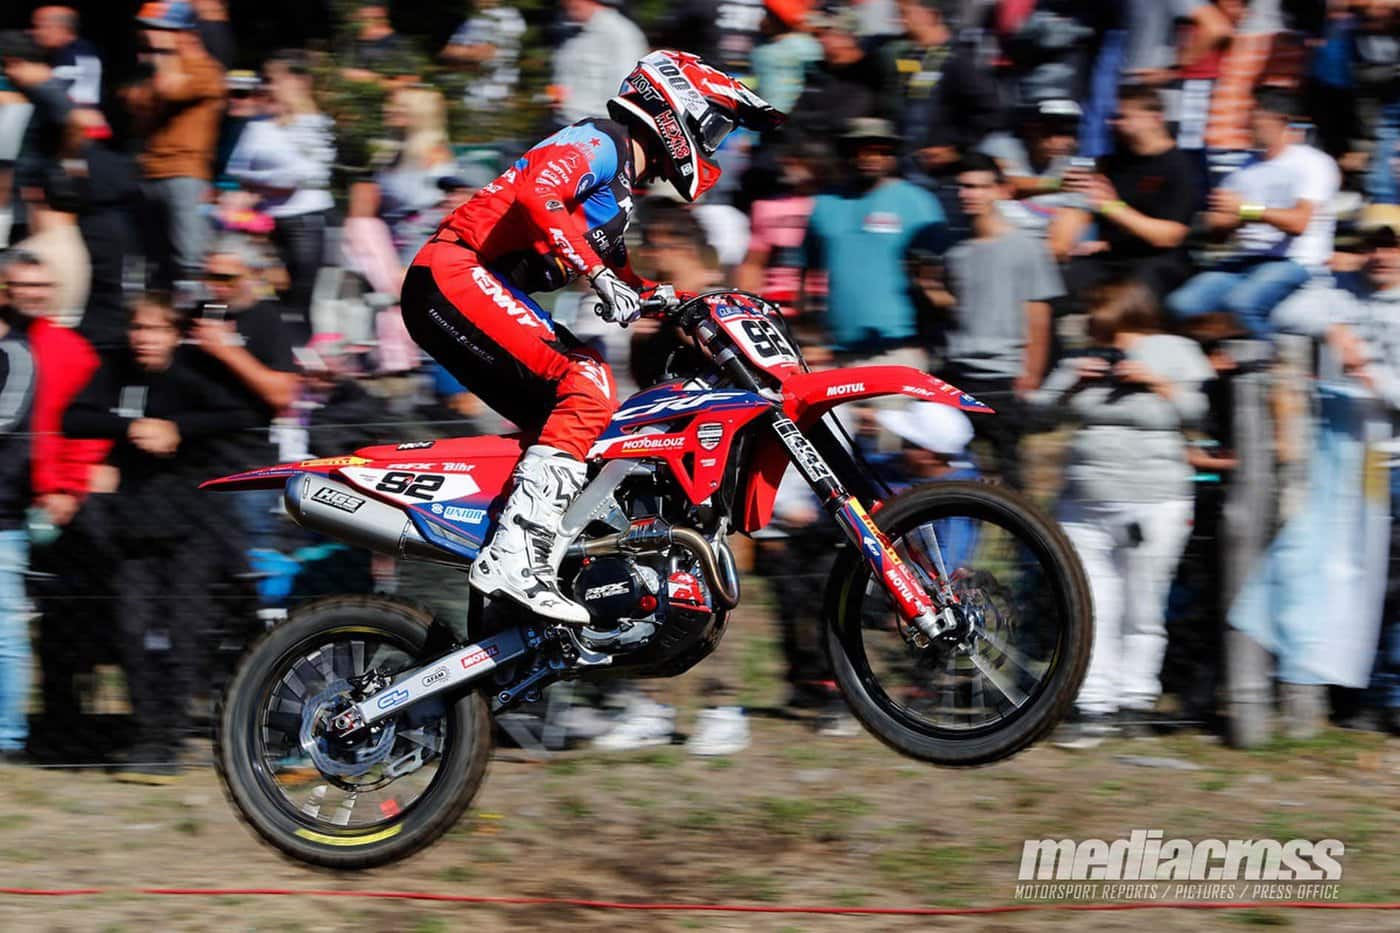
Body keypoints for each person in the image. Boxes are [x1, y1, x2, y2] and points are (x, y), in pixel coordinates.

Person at [400, 50, 782, 622]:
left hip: (466, 284)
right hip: (455, 271)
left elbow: (625, 274)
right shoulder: (601, 140)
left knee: (584, 428)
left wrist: (676, 299)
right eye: (716, 127)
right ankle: (513, 557)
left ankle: (516, 567)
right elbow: (538, 195)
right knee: (585, 378)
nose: (716, 143)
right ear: (681, 108)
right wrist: (598, 275)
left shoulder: (621, 182)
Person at [64, 293, 258, 782]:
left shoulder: (194, 370)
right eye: (138, 330)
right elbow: (74, 417)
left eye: (155, 330)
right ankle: (146, 735)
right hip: (134, 525)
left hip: (193, 524)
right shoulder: (116, 369)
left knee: (184, 634)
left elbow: (241, 414)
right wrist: (132, 427)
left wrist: (178, 429)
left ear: (175, 333)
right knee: (131, 632)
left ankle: (168, 741)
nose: (144, 339)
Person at [1034, 280, 1214, 748]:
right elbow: (1037, 411)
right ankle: (1094, 706)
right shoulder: (1083, 356)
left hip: (1154, 500)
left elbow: (1198, 413)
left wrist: (1158, 384)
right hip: (1083, 502)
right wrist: (1073, 380)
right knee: (1092, 606)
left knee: (1142, 604)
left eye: (1097, 312)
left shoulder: (1177, 351)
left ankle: (1134, 698)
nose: (1090, 323)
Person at [0, 250, 106, 762]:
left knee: (48, 627)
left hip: (51, 506)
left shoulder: (72, 351)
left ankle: (43, 730)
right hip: (15, 499)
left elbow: (89, 430)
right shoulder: (10, 344)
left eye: (42, 285)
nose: (33, 294)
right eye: (23, 285)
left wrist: (69, 488)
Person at [930, 152, 1062, 488]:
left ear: (999, 190)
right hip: (959, 374)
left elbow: (1038, 314)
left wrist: (1030, 374)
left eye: (978, 187)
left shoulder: (1026, 246)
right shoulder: (954, 251)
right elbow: (964, 305)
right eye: (963, 187)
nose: (968, 194)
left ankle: (1027, 541)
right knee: (956, 475)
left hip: (1004, 377)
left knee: (1011, 479)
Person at [1166, 89, 1340, 339]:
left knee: (1242, 304)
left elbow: (1299, 223)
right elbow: (1218, 233)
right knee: (1182, 305)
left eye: (1255, 117)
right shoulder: (1244, 169)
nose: (1248, 124)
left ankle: (1273, 366)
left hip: (1296, 262)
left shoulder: (1313, 163)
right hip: (1247, 260)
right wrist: (1222, 221)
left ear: (1278, 120)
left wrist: (1244, 210)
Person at [1324, 221, 1400, 734]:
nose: (1382, 255)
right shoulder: (1342, 298)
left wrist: (1370, 374)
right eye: (1374, 245)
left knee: (1392, 586)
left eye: (1393, 246)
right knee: (1349, 577)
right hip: (1346, 462)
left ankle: (1389, 694)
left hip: (1391, 463)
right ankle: (1350, 691)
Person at [801, 118, 947, 368]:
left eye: (880, 150)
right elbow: (808, 276)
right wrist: (810, 332)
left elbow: (937, 280)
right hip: (836, 353)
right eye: (860, 149)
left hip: (899, 351)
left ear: (893, 156)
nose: (869, 157)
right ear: (845, 153)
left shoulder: (920, 203)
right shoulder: (824, 204)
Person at [1053, 84, 1202, 300]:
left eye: (1124, 117)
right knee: (1056, 285)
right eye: (1114, 117)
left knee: (1129, 297)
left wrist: (1112, 207)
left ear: (1155, 118)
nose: (1115, 123)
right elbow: (1082, 209)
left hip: (1159, 260)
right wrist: (1061, 246)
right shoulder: (1113, 162)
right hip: (1113, 255)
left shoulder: (1180, 167)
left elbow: (1168, 237)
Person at [226, 50, 337, 342]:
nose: (269, 87)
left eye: (274, 80)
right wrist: (270, 182)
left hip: (305, 221)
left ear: (298, 81)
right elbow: (238, 169)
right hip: (263, 225)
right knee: (264, 296)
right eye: (267, 81)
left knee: (298, 297)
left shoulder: (316, 125)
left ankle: (299, 352)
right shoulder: (259, 125)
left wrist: (261, 183)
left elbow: (307, 175)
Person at [124, 1, 226, 293]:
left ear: (185, 33)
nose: (147, 36)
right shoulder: (153, 71)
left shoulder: (207, 70)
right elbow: (135, 107)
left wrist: (164, 52)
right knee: (152, 265)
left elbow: (170, 89)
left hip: (186, 177)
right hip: (149, 176)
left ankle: (210, 324)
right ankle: (168, 331)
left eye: (156, 29)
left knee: (194, 262)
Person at [551, 0, 648, 128]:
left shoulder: (621, 33)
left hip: (599, 130)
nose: (565, 4)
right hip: (564, 126)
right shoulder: (568, 30)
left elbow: (628, 87)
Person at [440, 0, 527, 121]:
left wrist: (459, 53)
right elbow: (447, 59)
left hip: (496, 103)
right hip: (469, 102)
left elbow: (483, 54)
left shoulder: (508, 17)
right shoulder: (469, 22)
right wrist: (465, 55)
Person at [30, 6, 101, 107]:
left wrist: (41, 78)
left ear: (60, 28)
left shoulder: (85, 57)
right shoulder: (54, 52)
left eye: (39, 26)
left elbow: (85, 103)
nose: (35, 33)